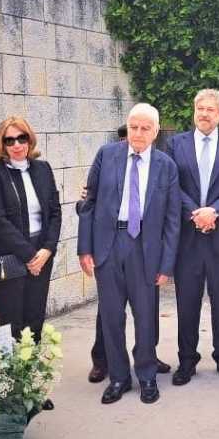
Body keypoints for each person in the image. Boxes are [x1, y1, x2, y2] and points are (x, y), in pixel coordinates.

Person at [77, 104, 181, 404]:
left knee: (146, 316)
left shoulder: (166, 166)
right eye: (134, 127)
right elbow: (89, 203)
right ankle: (119, 377)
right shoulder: (106, 155)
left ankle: (147, 375)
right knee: (111, 317)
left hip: (145, 248)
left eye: (145, 128)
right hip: (108, 245)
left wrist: (167, 265)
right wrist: (85, 248)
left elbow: (173, 219)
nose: (138, 133)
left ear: (156, 131)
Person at [166, 89, 219, 385]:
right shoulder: (175, 143)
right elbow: (171, 184)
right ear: (194, 111)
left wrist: (214, 211)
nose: (204, 114)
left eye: (210, 109)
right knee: (187, 302)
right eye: (199, 108)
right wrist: (196, 213)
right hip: (187, 238)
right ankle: (186, 360)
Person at [0, 117, 61, 409]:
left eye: (21, 138)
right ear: (2, 144)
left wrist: (46, 250)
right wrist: (29, 256)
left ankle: (33, 390)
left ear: (30, 140)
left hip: (41, 256)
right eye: (10, 140)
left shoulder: (43, 169)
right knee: (10, 324)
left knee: (34, 323)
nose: (16, 145)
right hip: (10, 258)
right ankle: (8, 393)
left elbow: (55, 212)